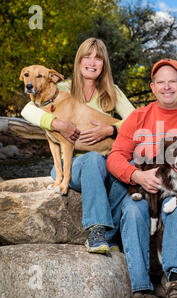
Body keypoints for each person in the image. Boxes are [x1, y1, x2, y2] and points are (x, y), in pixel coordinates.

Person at [106, 58, 177, 298]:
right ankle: (141, 288)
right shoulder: (138, 117)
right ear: (153, 87)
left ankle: (176, 281)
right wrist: (136, 174)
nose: (167, 87)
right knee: (135, 210)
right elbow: (115, 157)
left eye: (172, 82)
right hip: (145, 192)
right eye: (161, 83)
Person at [21, 38, 135, 253]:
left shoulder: (113, 91)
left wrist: (109, 130)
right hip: (70, 165)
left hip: (104, 161)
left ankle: (106, 235)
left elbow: (136, 119)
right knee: (91, 160)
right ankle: (97, 230)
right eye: (87, 56)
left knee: (124, 166)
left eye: (98, 58)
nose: (92, 62)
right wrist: (57, 123)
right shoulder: (60, 87)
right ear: (79, 60)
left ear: (104, 65)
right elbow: (27, 110)